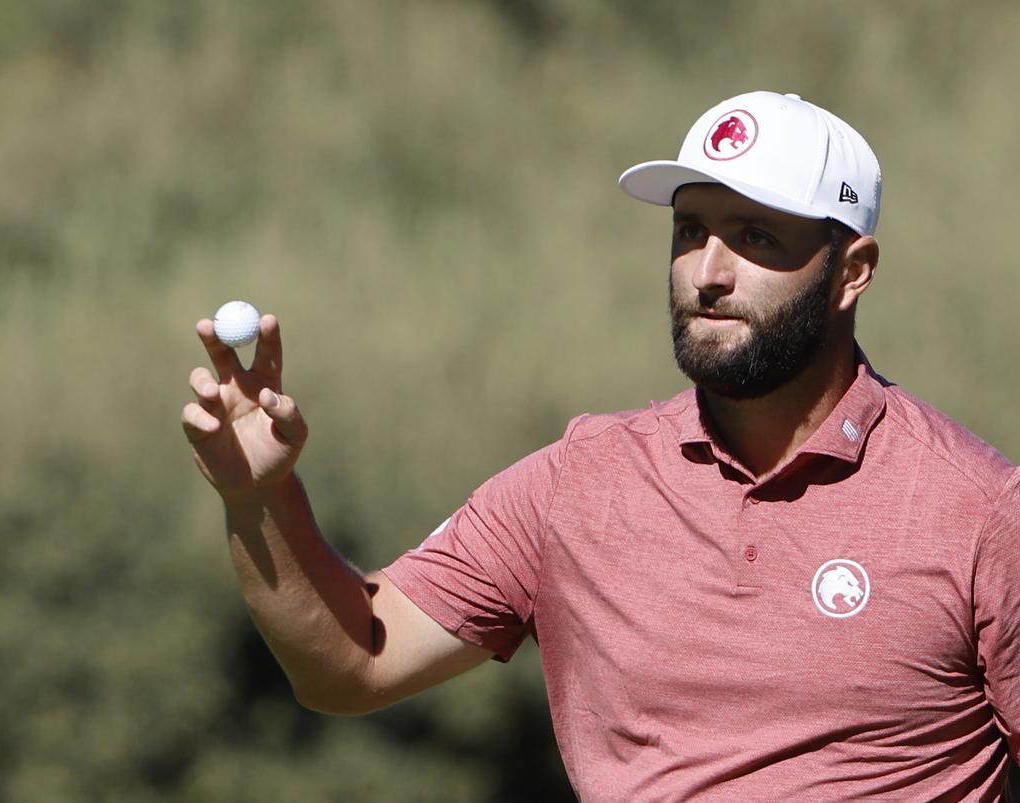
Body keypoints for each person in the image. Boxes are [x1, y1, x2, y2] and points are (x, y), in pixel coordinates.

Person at [181, 91, 1019, 800]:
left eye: (757, 237)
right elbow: (351, 663)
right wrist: (260, 498)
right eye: (692, 231)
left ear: (852, 270)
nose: (708, 272)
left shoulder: (980, 512)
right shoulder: (578, 484)